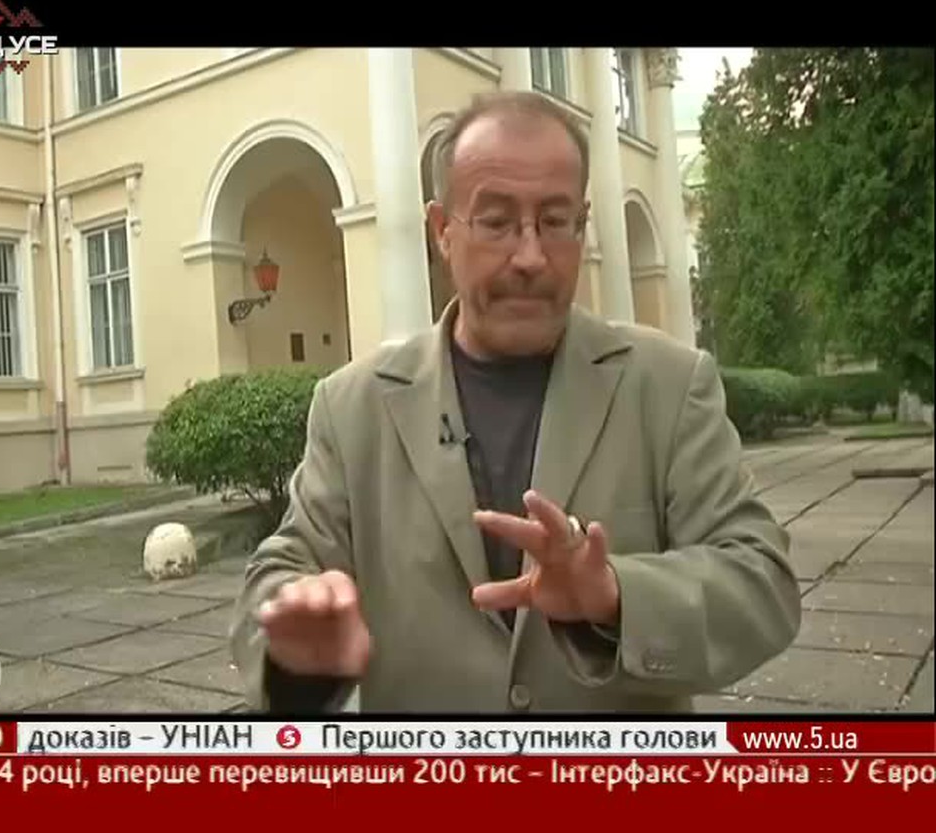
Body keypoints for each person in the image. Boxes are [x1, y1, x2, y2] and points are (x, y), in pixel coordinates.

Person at [229, 90, 801, 713]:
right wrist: (295, 639)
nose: (530, 257)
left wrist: (615, 595)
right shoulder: (352, 407)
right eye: (496, 222)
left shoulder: (669, 385)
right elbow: (284, 569)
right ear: (442, 231)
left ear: (582, 224)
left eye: (555, 222)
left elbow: (761, 582)